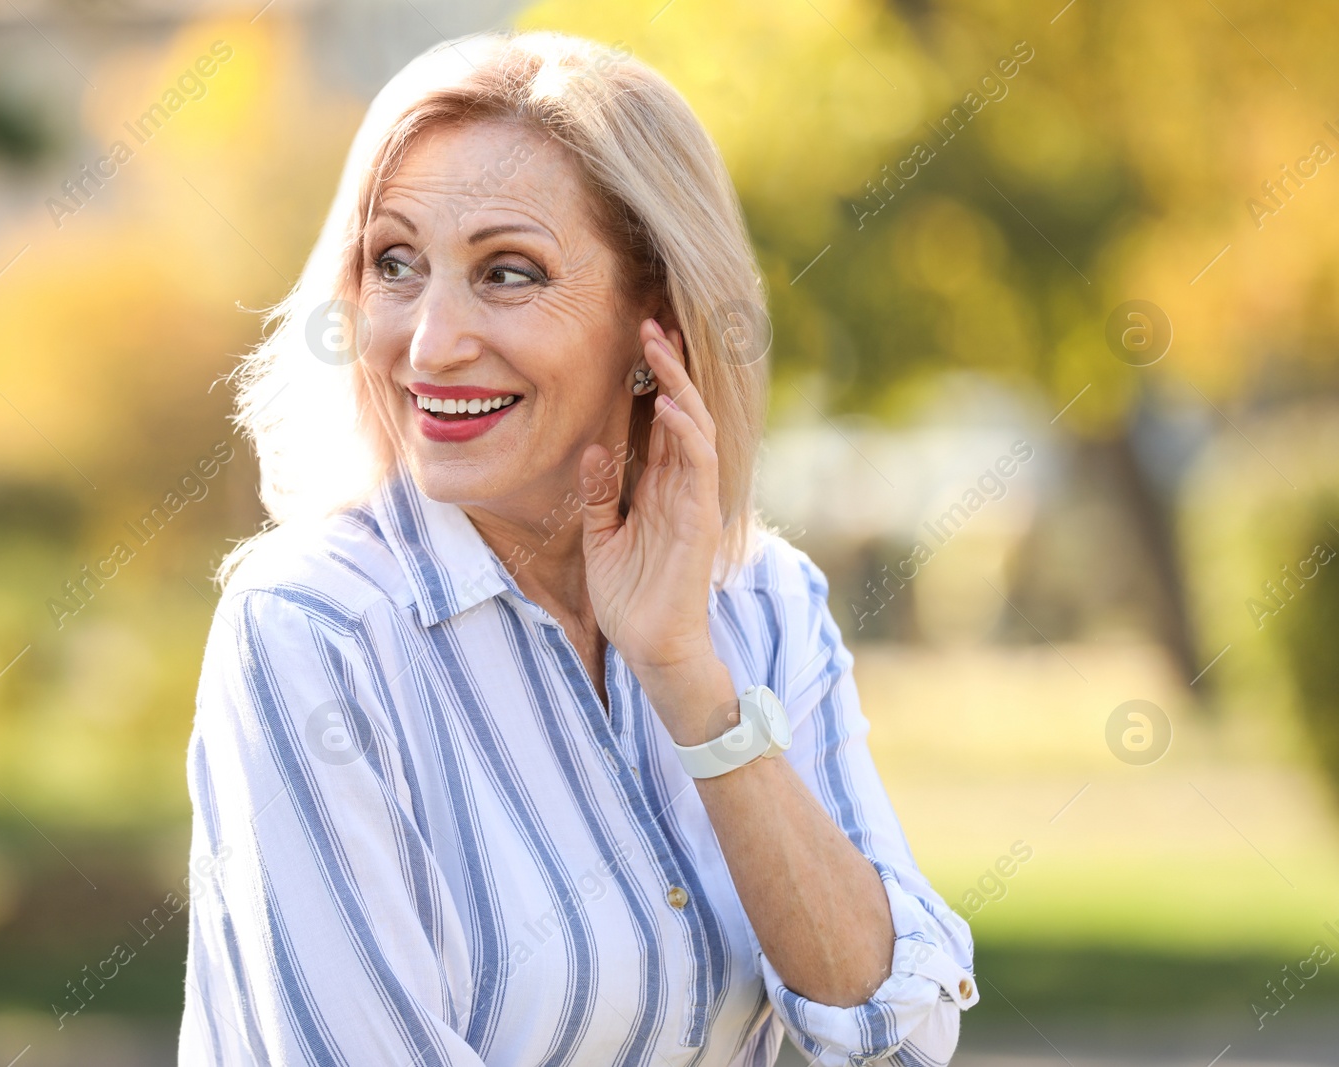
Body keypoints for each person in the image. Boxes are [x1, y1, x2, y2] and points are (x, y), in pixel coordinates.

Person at [179, 28, 976, 1067]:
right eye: (395, 264)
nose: (429, 342)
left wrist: (689, 677)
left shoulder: (763, 601)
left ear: (655, 320)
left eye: (506, 273)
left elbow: (892, 1032)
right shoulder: (313, 626)